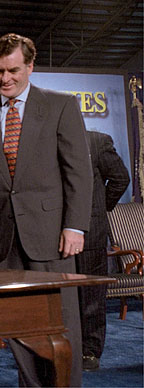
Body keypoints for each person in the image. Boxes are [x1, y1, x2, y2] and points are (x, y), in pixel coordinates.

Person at [0, 33, 93, 387]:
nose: (5, 79)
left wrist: (75, 226)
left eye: (12, 70)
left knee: (61, 321)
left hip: (53, 235)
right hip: (3, 239)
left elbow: (78, 173)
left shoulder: (60, 106)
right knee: (19, 322)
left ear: (30, 67)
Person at [78, 130, 130, 371]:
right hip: (52, 236)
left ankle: (90, 351)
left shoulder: (96, 141)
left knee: (91, 298)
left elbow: (120, 178)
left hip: (91, 232)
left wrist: (100, 207)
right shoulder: (43, 141)